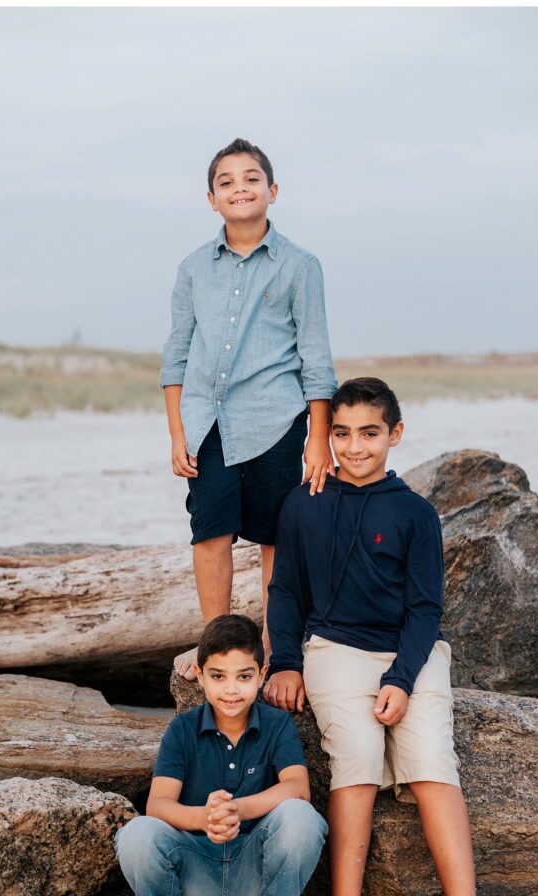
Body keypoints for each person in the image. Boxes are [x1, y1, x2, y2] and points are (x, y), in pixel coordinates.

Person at [264, 377, 501, 896]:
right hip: (334, 651)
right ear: (328, 436)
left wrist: (400, 679)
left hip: (410, 653)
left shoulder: (416, 513)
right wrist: (287, 662)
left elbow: (426, 611)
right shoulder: (302, 503)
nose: (354, 447)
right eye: (340, 433)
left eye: (369, 433)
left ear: (395, 434)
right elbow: (286, 590)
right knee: (359, 760)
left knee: (431, 763)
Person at [160, 137, 337, 680]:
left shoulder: (301, 266)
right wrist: (177, 434)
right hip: (208, 424)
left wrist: (318, 438)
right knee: (209, 534)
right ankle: (216, 645)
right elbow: (177, 354)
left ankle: (273, 645)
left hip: (277, 423)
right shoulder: (193, 268)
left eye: (251, 178)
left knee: (276, 539)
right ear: (211, 199)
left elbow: (317, 359)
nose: (240, 188)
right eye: (227, 182)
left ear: (273, 190)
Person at [115, 614, 327, 896]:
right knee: (136, 834)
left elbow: (297, 787)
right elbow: (158, 803)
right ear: (199, 676)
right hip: (195, 886)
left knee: (301, 817)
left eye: (244, 677)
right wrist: (205, 817)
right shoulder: (182, 729)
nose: (231, 689)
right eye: (218, 676)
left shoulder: (276, 724)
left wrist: (238, 810)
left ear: (262, 676)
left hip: (255, 884)